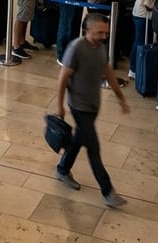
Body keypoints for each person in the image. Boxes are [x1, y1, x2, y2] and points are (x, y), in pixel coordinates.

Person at [55, 13, 129, 208]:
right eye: (99, 33)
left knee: (79, 140)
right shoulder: (76, 48)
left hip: (93, 105)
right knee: (94, 149)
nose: (103, 36)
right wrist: (60, 106)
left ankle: (63, 169)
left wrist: (120, 98)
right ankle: (108, 191)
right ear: (88, 30)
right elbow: (63, 78)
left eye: (106, 33)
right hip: (79, 106)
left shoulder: (101, 48)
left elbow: (108, 72)